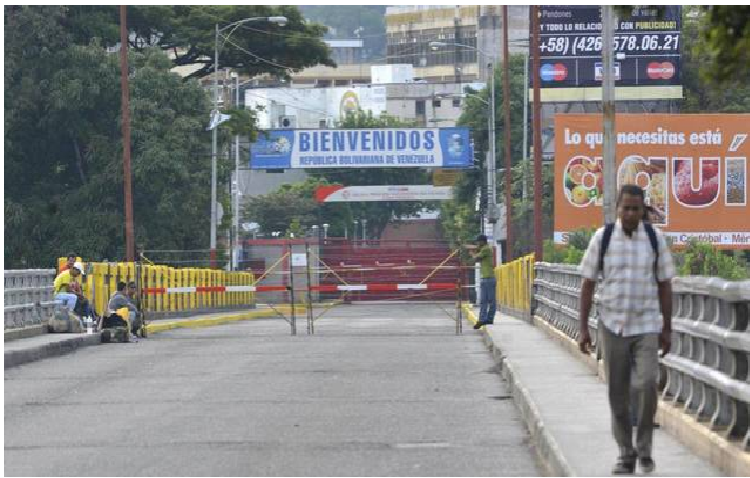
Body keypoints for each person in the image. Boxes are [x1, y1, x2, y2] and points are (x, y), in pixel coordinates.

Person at [578, 184, 675, 475]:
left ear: (643, 210)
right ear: (617, 209)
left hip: (646, 324)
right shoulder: (603, 238)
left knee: (646, 384)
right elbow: (587, 283)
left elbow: (665, 285)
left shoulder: (655, 240)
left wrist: (667, 328)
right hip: (612, 324)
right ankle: (625, 452)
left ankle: (644, 449)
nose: (631, 214)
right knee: (617, 394)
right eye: (626, 208)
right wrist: (583, 328)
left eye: (636, 209)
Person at [465, 234, 496, 329]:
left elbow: (476, 258)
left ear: (482, 241)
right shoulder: (484, 249)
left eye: (478, 241)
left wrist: (472, 253)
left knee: (491, 300)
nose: (477, 243)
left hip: (489, 278)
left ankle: (489, 318)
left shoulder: (486, 249)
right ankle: (482, 320)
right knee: (483, 301)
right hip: (485, 278)